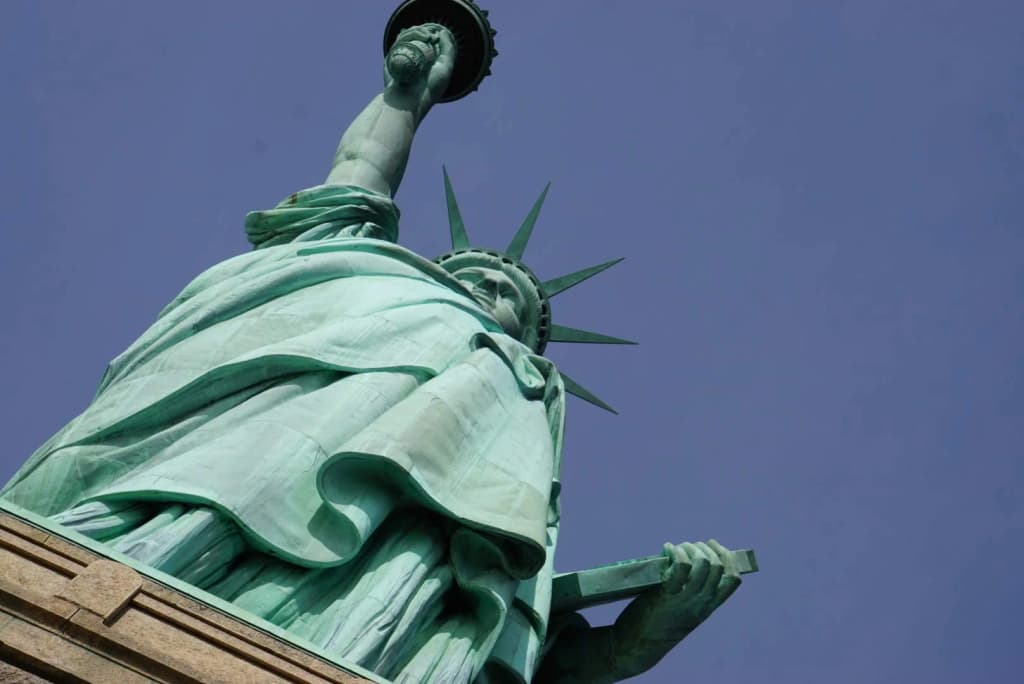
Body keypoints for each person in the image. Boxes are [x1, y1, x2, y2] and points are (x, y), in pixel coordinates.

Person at [1, 24, 742, 683]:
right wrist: (406, 94)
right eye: (476, 275)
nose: (490, 290)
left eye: (511, 295)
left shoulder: (518, 403)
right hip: (222, 479)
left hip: (391, 591)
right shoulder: (366, 272)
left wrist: (649, 633)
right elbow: (359, 175)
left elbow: (517, 624)